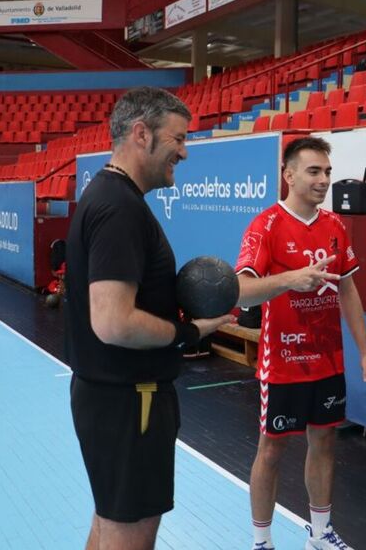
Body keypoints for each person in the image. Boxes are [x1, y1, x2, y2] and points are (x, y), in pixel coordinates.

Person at [64, 87, 233, 550]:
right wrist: (186, 332)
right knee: (129, 534)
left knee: (109, 521)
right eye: (178, 138)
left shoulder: (109, 197)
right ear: (142, 134)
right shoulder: (119, 208)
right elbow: (114, 322)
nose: (184, 150)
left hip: (112, 400)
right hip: (130, 402)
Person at [235, 136, 366, 550]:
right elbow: (242, 291)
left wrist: (364, 351)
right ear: (289, 174)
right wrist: (292, 280)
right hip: (283, 364)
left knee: (325, 442)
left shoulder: (335, 225)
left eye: (328, 172)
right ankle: (262, 542)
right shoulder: (266, 225)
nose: (323, 180)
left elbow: (348, 291)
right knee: (272, 451)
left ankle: (320, 534)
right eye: (314, 171)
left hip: (328, 362)